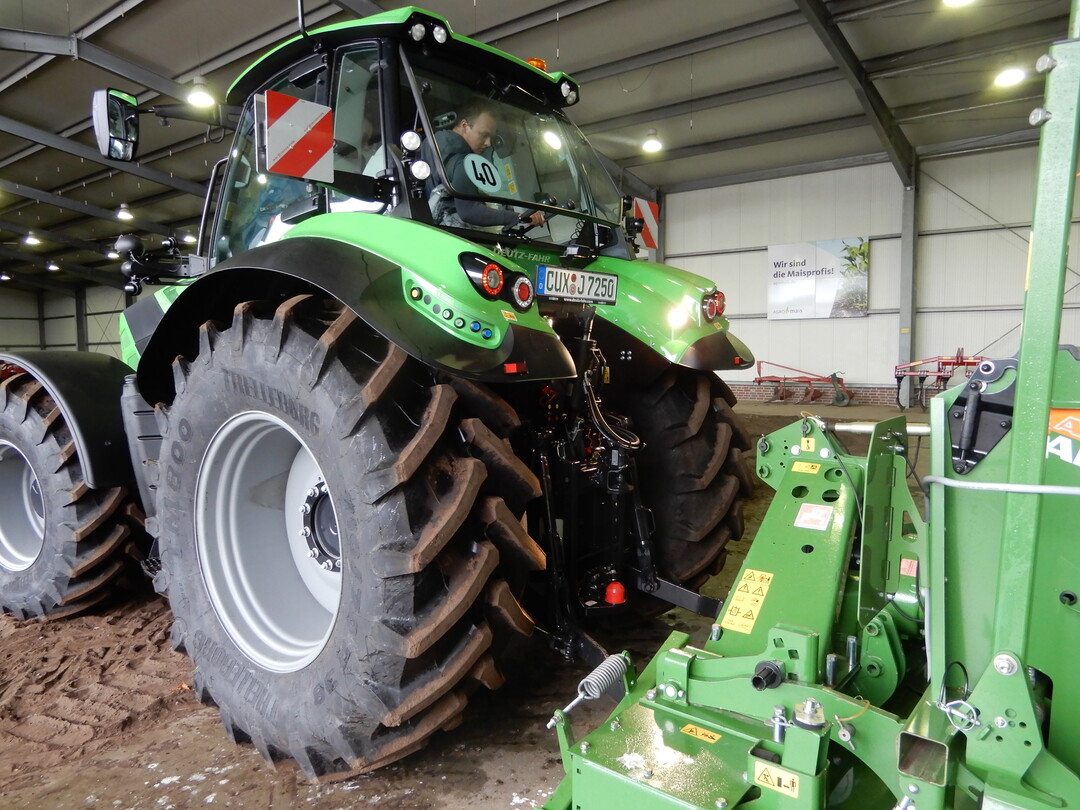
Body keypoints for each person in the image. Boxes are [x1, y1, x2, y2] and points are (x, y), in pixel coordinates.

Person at [428, 99, 546, 230]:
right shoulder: (463, 162)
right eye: (484, 135)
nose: (488, 143)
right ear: (464, 125)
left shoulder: (432, 145)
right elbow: (469, 211)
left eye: (491, 137)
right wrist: (520, 217)